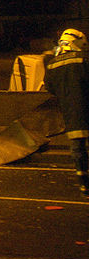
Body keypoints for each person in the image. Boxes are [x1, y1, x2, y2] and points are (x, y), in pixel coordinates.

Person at [43, 28, 89, 197]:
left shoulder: (52, 64)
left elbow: (50, 88)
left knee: (78, 148)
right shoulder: (84, 59)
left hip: (71, 114)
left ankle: (84, 184)